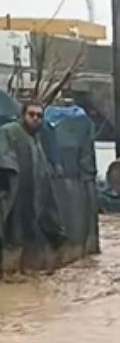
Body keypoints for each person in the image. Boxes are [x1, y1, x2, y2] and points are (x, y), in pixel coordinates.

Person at [0, 100, 66, 273]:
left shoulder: (35, 138)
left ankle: (21, 275)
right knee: (10, 236)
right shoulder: (9, 131)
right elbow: (4, 158)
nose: (35, 118)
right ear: (23, 115)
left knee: (25, 236)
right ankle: (10, 275)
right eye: (31, 114)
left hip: (31, 196)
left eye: (39, 115)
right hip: (12, 193)